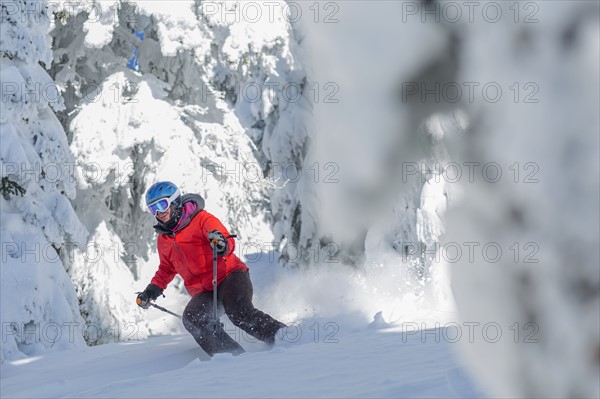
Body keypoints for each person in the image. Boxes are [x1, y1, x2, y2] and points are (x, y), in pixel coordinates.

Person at [136, 181, 286, 356]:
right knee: (193, 319)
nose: (159, 213)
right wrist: (150, 292)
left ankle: (283, 336)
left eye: (162, 205)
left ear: (175, 202)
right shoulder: (164, 240)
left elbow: (226, 239)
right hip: (206, 291)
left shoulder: (202, 220)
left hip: (230, 276)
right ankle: (232, 358)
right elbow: (167, 269)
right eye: (153, 209)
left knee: (239, 313)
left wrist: (221, 243)